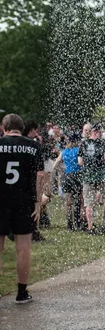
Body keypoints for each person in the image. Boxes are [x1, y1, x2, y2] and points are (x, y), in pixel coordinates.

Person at [1, 114, 46, 303]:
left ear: (4, 128)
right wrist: (37, 201)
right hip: (23, 200)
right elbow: (40, 175)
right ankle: (21, 292)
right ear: (21, 128)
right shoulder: (33, 146)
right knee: (23, 247)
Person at [78, 123, 105, 234]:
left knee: (88, 203)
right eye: (100, 131)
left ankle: (90, 228)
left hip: (87, 176)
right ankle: (104, 224)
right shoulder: (103, 143)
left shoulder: (83, 143)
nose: (101, 133)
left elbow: (80, 162)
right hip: (101, 175)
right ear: (97, 131)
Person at [56, 133, 85, 231]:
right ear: (77, 141)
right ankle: (77, 223)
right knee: (78, 200)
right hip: (77, 176)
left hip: (66, 176)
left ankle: (69, 224)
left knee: (68, 202)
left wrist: (59, 172)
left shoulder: (64, 151)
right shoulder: (79, 150)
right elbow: (81, 163)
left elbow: (56, 163)